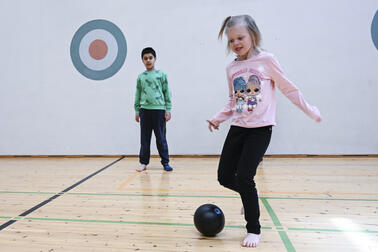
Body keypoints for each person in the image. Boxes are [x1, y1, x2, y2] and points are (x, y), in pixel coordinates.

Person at [207, 15, 322, 248]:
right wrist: (218, 118)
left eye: (240, 37)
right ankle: (251, 196)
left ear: (253, 36)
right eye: (231, 40)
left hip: (261, 130)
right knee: (224, 176)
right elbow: (234, 100)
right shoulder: (232, 68)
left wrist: (309, 110)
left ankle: (253, 229)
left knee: (245, 176)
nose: (236, 43)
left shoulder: (267, 60)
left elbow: (289, 88)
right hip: (238, 127)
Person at [134, 47, 173, 172]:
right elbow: (138, 94)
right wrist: (137, 110)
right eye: (145, 58)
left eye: (150, 58)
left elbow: (167, 92)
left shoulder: (161, 75)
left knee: (161, 138)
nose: (148, 60)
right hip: (144, 111)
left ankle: (165, 162)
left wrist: (168, 109)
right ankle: (143, 162)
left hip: (159, 111)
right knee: (145, 139)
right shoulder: (141, 77)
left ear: (155, 59)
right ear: (142, 60)